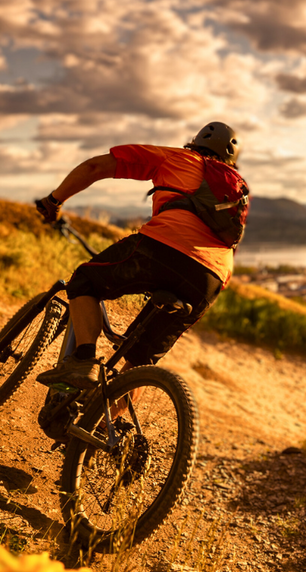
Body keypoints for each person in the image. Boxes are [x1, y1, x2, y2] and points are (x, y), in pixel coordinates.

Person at [33, 121, 245, 389]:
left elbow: (94, 167)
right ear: (231, 161)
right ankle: (109, 428)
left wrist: (54, 200)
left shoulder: (178, 157)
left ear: (195, 143)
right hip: (210, 278)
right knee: (140, 363)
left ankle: (83, 360)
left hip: (161, 248)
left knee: (85, 281)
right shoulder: (237, 189)